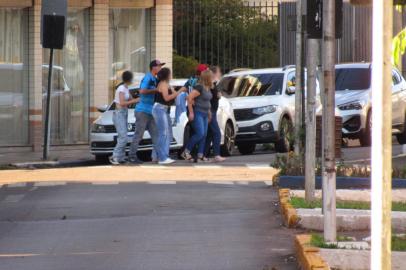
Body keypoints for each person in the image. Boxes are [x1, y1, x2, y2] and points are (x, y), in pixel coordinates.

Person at [128, 60, 165, 164]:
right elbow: (142, 91)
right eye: (159, 66)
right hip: (142, 111)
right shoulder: (148, 77)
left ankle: (162, 157)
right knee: (138, 135)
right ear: (154, 67)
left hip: (150, 111)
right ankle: (131, 157)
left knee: (156, 135)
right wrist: (155, 90)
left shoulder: (155, 79)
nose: (160, 68)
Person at [152, 68, 185, 165]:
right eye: (170, 74)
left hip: (163, 109)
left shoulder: (166, 84)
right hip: (160, 109)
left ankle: (158, 156)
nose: (171, 75)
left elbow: (172, 94)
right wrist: (178, 92)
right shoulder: (163, 84)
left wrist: (176, 91)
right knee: (163, 133)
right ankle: (162, 158)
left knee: (166, 133)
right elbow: (166, 98)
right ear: (167, 75)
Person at [181, 70, 213, 162]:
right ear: (207, 78)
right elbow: (189, 98)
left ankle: (200, 155)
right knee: (200, 133)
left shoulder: (208, 88)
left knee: (204, 135)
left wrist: (209, 113)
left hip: (205, 113)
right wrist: (191, 112)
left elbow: (207, 101)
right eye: (211, 76)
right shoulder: (199, 87)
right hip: (198, 112)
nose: (213, 78)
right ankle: (186, 152)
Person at [110, 71, 139, 165]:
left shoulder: (126, 88)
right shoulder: (121, 88)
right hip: (119, 113)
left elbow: (130, 99)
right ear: (129, 79)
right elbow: (122, 103)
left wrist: (136, 98)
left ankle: (121, 157)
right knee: (123, 137)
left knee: (123, 136)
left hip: (124, 113)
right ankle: (114, 156)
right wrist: (135, 100)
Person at [205, 66, 226, 162]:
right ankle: (216, 154)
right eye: (219, 72)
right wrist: (218, 95)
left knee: (209, 134)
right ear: (214, 73)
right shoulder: (210, 84)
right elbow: (210, 96)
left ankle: (203, 154)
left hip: (212, 110)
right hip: (210, 111)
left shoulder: (214, 84)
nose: (220, 74)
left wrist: (218, 95)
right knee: (216, 133)